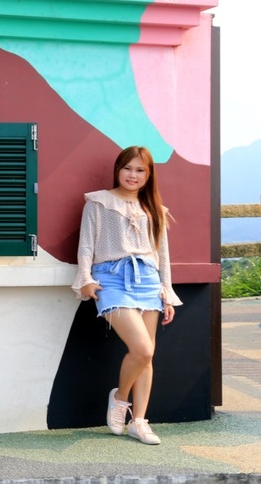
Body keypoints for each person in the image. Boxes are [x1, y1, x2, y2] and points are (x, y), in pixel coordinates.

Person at [72, 146, 183, 445]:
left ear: (148, 176)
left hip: (148, 280)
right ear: (118, 169)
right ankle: (120, 399)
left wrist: (166, 292)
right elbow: (86, 245)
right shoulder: (98, 202)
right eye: (127, 168)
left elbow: (162, 254)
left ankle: (139, 421)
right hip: (112, 279)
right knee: (143, 350)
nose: (132, 175)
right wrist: (85, 279)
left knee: (147, 358)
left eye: (140, 170)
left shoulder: (155, 210)